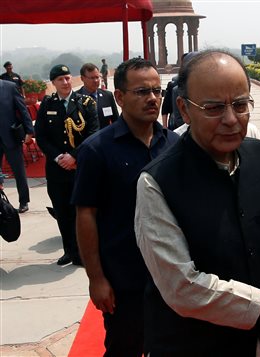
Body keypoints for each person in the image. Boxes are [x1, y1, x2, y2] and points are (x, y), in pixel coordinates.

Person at [134, 50, 260, 356]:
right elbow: (183, 288)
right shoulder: (157, 182)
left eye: (241, 105)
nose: (231, 119)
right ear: (184, 109)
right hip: (192, 344)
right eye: (214, 108)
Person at [72, 58, 179, 357]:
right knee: (125, 348)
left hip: (171, 277)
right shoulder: (96, 150)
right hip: (124, 281)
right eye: (142, 91)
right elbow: (86, 215)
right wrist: (96, 278)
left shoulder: (173, 145)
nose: (153, 99)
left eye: (157, 91)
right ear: (119, 97)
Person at [35, 64, 99, 266]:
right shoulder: (47, 104)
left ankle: (84, 252)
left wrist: (74, 157)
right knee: (62, 213)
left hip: (80, 168)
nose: (65, 82)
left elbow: (93, 134)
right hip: (57, 170)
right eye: (60, 79)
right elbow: (42, 136)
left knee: (82, 212)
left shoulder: (85, 103)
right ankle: (69, 251)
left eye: (67, 78)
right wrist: (58, 158)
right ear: (53, 83)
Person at [0, 79, 34, 212]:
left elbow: (23, 109)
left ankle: (24, 201)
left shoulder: (9, 87)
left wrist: (29, 130)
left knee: (18, 171)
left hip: (10, 136)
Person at [78, 63, 119, 129]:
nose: (96, 81)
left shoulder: (107, 96)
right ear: (82, 78)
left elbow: (116, 120)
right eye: (92, 78)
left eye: (97, 77)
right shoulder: (75, 98)